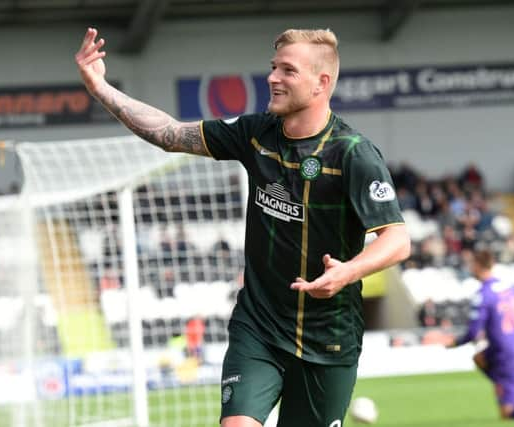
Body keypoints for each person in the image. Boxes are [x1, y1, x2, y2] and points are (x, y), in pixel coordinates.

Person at [75, 27, 411, 427]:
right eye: (273, 67)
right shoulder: (256, 133)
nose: (272, 77)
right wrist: (101, 89)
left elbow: (398, 239)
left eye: (287, 70)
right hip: (260, 327)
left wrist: (348, 272)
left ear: (322, 83)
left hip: (329, 338)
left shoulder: (354, 153)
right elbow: (170, 134)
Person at [446, 249, 514, 420]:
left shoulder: (483, 295)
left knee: (507, 413)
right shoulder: (509, 287)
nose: (470, 268)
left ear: (477, 265)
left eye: (471, 264)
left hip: (505, 353)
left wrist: (453, 343)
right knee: (479, 358)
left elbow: (472, 332)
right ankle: (502, 385)